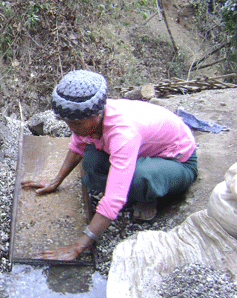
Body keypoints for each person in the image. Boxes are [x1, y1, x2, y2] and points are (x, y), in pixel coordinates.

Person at [21, 70, 198, 261]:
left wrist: (77, 247)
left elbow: (114, 199)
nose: (72, 128)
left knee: (139, 180)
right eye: (67, 122)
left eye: (77, 123)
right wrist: (56, 181)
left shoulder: (123, 133)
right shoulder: (89, 118)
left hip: (177, 162)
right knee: (91, 159)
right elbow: (77, 145)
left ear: (97, 114)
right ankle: (132, 185)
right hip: (143, 150)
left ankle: (149, 197)